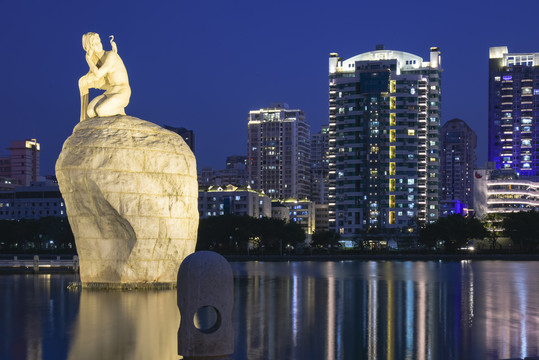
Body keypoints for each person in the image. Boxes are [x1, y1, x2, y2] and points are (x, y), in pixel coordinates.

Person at [78, 32, 131, 121]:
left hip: (122, 92)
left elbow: (98, 74)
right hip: (109, 92)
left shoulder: (111, 55)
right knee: (90, 112)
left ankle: (120, 111)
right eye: (94, 44)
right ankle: (112, 107)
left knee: (101, 111)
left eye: (98, 42)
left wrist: (88, 60)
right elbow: (97, 79)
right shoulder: (97, 63)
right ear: (90, 48)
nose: (98, 45)